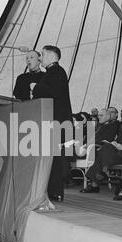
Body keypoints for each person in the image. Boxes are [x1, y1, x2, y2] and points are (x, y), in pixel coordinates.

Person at [31, 45, 73, 202]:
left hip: (58, 121)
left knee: (55, 157)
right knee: (51, 156)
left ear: (51, 55)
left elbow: (53, 92)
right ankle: (52, 190)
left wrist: (36, 87)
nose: (40, 58)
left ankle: (56, 191)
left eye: (42, 54)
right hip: (53, 120)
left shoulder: (57, 71)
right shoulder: (52, 72)